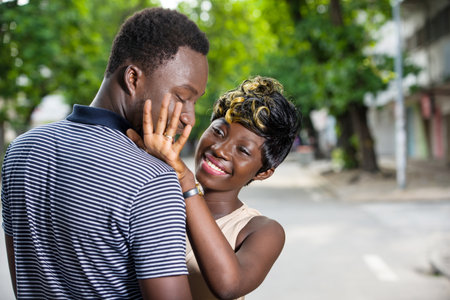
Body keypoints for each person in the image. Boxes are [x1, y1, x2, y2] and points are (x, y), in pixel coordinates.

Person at [1, 7, 209, 299]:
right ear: (133, 79)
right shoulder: (154, 180)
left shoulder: (21, 150)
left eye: (195, 102)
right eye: (182, 97)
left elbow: (24, 278)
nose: (189, 117)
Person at [128, 76, 301, 299]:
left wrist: (186, 180)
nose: (221, 150)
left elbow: (230, 285)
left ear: (263, 172)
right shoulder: (160, 197)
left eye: (243, 150)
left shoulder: (262, 231)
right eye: (219, 132)